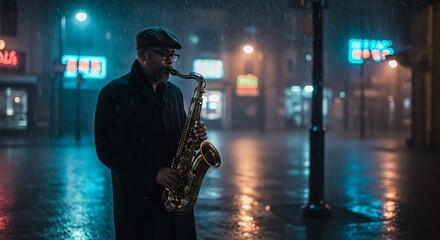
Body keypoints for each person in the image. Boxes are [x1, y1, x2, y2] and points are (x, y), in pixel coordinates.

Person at [94, 26, 207, 240]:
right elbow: (108, 149)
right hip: (139, 209)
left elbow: (180, 140)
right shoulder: (114, 93)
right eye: (164, 55)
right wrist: (154, 172)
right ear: (142, 55)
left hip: (177, 207)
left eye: (173, 55)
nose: (170, 61)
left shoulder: (174, 93)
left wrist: (195, 139)